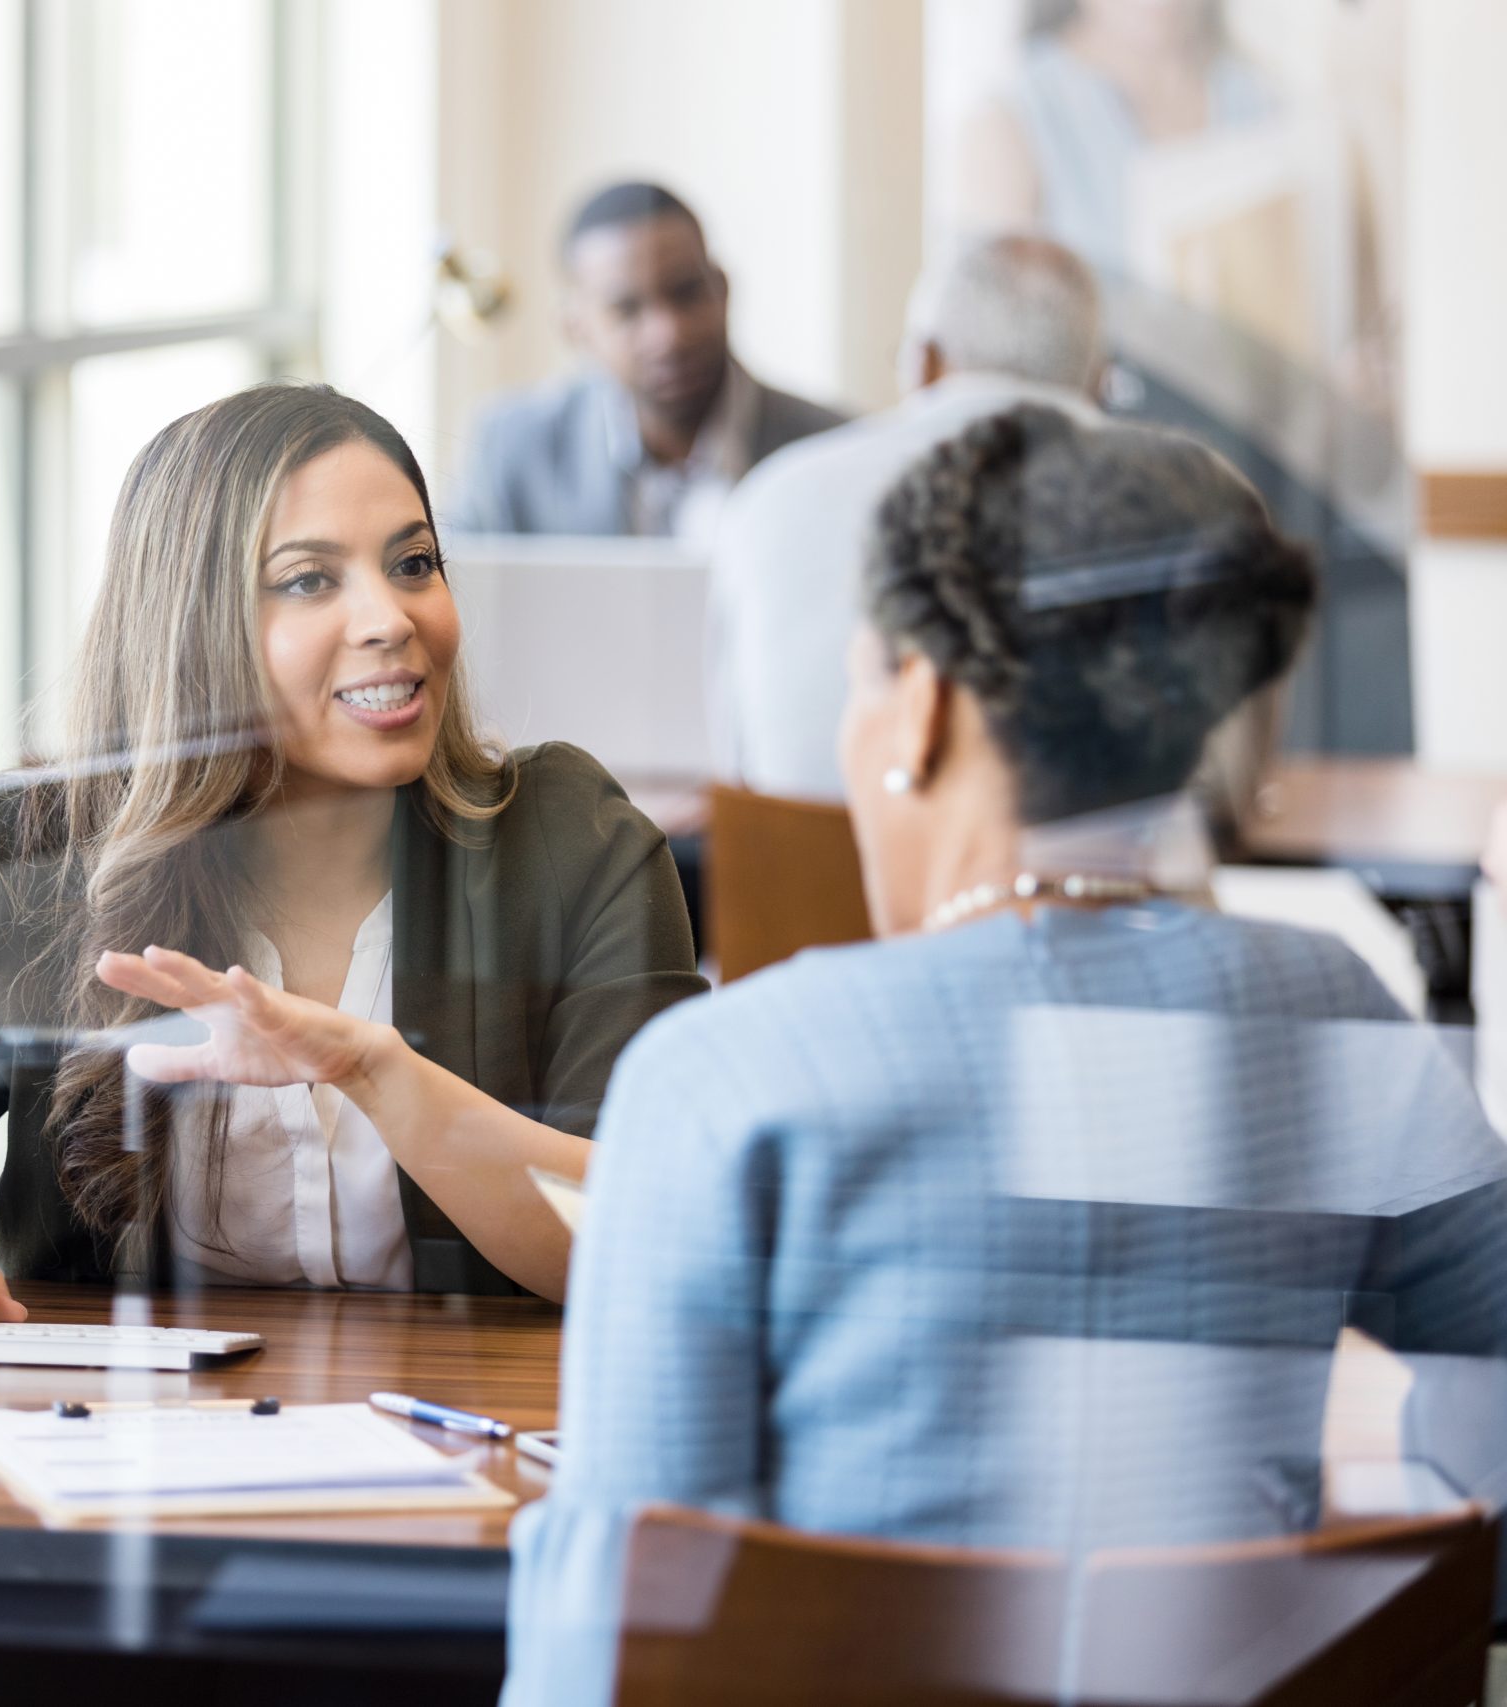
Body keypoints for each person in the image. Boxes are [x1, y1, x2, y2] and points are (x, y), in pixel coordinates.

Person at [503, 404, 1507, 1706]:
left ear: (916, 703)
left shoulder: (727, 1078)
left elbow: (612, 1645)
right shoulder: (1329, 1015)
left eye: (859, 678)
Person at [0, 382, 705, 1324]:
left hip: (474, 1462)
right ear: (192, 629)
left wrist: (379, 1074)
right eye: (309, 580)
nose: (391, 619)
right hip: (117, 1466)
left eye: (412, 563)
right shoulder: (40, 858)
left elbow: (655, 1228)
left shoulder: (570, 842)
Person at [708, 231, 1103, 801]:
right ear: (1097, 380)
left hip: (795, 881)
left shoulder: (766, 499)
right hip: (1075, 883)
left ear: (926, 360)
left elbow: (737, 765)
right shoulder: (1187, 500)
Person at [451, 181, 845, 543]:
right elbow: (462, 603)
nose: (669, 335)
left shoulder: (835, 449)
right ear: (576, 328)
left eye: (688, 293)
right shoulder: (514, 449)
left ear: (722, 290)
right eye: (627, 310)